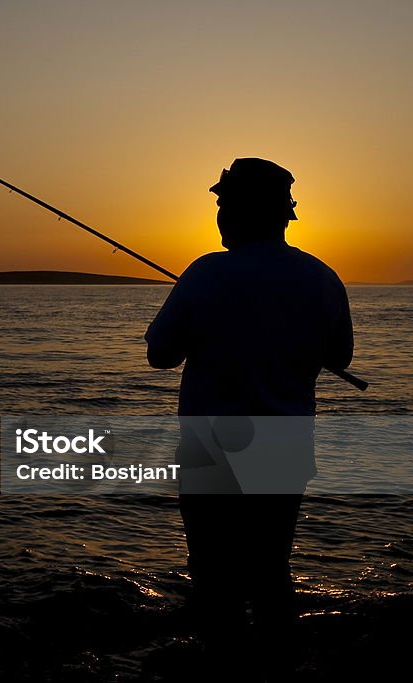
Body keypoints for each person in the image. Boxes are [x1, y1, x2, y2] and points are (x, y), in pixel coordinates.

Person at [144, 158, 354, 679]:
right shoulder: (322, 277)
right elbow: (342, 357)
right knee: (269, 569)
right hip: (285, 448)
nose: (217, 215)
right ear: (285, 214)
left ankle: (224, 671)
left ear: (239, 211)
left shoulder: (207, 272)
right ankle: (277, 667)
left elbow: (160, 354)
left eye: (222, 204)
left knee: (214, 574)